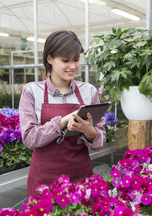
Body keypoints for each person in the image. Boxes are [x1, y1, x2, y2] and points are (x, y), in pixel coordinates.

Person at [19, 30, 106, 196]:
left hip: (80, 178)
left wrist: (89, 131)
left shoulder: (89, 91)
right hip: (44, 180)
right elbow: (29, 138)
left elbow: (100, 141)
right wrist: (62, 121)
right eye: (65, 60)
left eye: (76, 60)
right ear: (49, 58)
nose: (73, 66)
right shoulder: (31, 92)